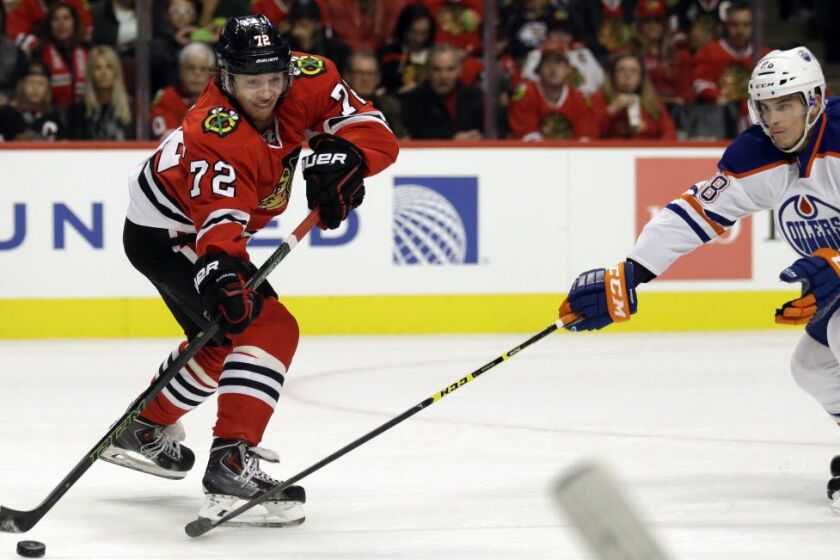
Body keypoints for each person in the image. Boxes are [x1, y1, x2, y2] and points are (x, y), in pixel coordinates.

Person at [106, 15, 398, 527]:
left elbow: (374, 130)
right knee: (267, 327)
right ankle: (231, 463)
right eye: (251, 82)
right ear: (225, 77)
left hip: (190, 229)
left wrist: (349, 157)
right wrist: (219, 271)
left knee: (225, 339)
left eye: (274, 78)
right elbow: (218, 224)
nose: (266, 93)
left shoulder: (308, 76)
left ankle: (144, 426)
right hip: (170, 233)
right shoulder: (213, 131)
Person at [557, 46, 840, 513]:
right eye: (765, 107)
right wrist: (632, 271)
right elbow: (695, 213)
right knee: (812, 365)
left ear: (814, 101)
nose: (773, 119)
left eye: (785, 105)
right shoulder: (760, 154)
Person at [507, 39, 597, 141]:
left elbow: (585, 137)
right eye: (547, 63)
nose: (553, 69)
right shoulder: (525, 94)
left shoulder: (580, 99)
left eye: (558, 63)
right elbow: (526, 135)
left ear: (568, 69)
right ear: (538, 69)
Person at [400, 43, 483, 140]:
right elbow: (418, 134)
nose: (444, 76)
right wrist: (452, 140)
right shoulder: (413, 100)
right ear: (427, 70)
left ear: (459, 70)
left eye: (450, 69)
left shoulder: (477, 98)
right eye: (437, 70)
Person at [590, 52, 677, 140]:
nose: (627, 75)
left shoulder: (652, 101)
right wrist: (612, 109)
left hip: (645, 148)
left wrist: (656, 148)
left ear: (641, 78)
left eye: (634, 71)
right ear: (613, 76)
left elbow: (670, 132)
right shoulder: (599, 98)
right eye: (621, 70)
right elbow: (590, 133)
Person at [150, 42, 215, 139]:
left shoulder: (220, 99)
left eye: (203, 69)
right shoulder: (167, 97)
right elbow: (165, 138)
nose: (197, 74)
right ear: (180, 69)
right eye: (191, 68)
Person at [68, 45, 134, 140]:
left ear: (116, 72)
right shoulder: (79, 110)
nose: (104, 73)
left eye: (109, 67)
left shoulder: (131, 107)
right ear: (91, 74)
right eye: (98, 68)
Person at [345, 51, 409, 139]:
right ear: (347, 76)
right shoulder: (336, 107)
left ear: (378, 78)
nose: (365, 78)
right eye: (359, 73)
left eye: (370, 74)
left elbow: (402, 140)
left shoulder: (391, 107)